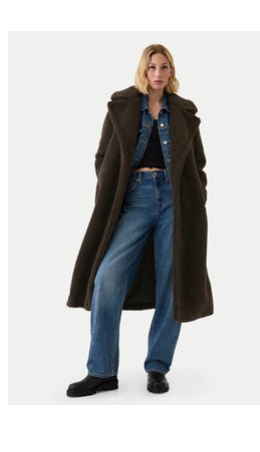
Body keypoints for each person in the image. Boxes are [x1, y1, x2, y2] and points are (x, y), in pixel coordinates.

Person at [66, 44, 213, 397]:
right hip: (135, 197)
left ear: (171, 71)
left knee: (172, 283)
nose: (158, 73)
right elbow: (103, 155)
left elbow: (198, 164)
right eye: (152, 67)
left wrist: (197, 197)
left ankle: (157, 368)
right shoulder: (122, 106)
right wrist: (113, 190)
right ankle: (102, 371)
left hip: (175, 201)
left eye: (164, 67)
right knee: (107, 277)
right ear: (143, 71)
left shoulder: (184, 112)